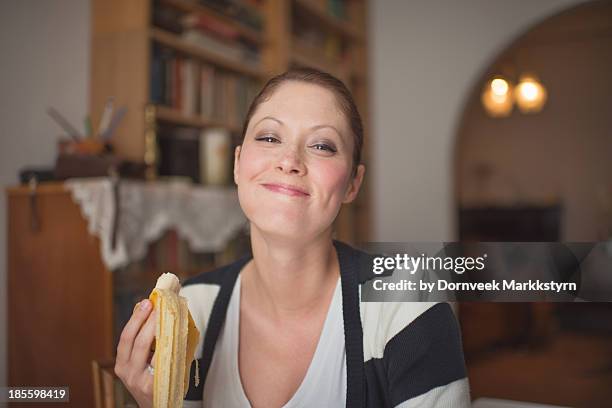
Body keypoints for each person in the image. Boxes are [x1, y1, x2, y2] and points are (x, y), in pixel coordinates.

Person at [114, 68, 471, 407]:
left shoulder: (408, 305)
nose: (289, 161)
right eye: (269, 137)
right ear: (238, 164)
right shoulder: (195, 308)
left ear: (352, 184)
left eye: (322, 146)